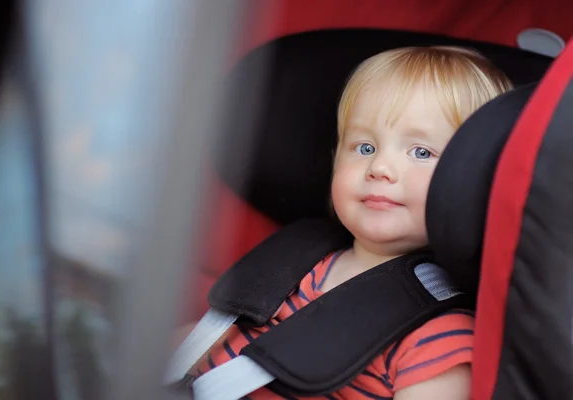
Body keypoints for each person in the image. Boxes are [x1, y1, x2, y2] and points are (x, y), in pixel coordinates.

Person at [177, 46, 513, 399]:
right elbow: (205, 346)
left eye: (421, 152)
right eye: (365, 147)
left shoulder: (440, 334)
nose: (380, 168)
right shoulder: (295, 264)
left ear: (479, 181)